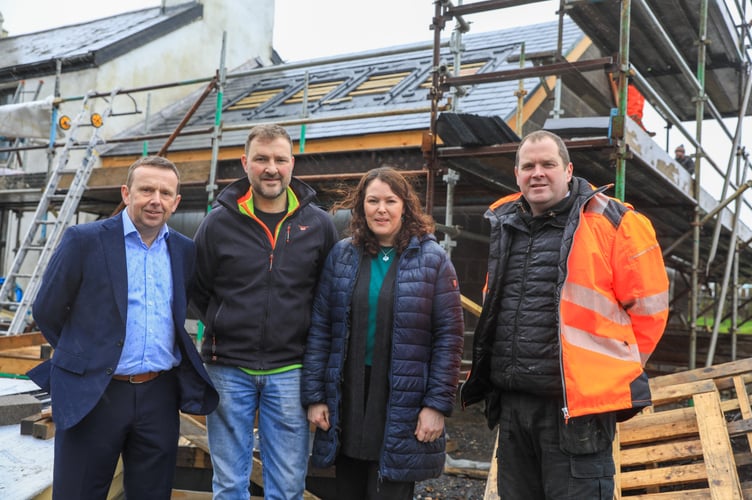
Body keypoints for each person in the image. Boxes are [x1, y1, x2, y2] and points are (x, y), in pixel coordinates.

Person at [461, 130, 669, 499]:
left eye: (548, 164)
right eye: (528, 166)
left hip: (576, 411)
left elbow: (650, 311)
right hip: (514, 407)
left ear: (568, 170)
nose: (537, 173)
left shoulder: (616, 223)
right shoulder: (505, 223)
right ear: (517, 174)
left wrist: (612, 374)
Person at [27, 155, 219, 499]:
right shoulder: (84, 241)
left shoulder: (184, 251)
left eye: (165, 192)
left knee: (152, 493)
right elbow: (47, 310)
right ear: (127, 193)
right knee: (79, 492)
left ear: (176, 202)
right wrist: (86, 359)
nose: (155, 200)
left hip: (159, 395)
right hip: (96, 393)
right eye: (146, 190)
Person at [191, 123, 339, 499]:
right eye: (261, 159)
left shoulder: (318, 225)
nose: (271, 168)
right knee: (228, 484)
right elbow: (198, 289)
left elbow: (328, 295)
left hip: (292, 370)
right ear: (245, 163)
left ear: (292, 164)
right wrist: (227, 326)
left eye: (279, 159)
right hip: (227, 369)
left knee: (288, 485)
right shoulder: (218, 222)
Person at [301, 166, 465, 500]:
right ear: (361, 206)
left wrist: (436, 405)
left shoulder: (432, 260)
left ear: (405, 205)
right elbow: (321, 329)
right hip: (348, 397)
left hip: (401, 398)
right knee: (346, 488)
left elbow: (449, 338)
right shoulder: (342, 256)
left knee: (389, 490)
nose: (381, 209)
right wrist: (315, 395)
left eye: (390, 200)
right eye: (373, 200)